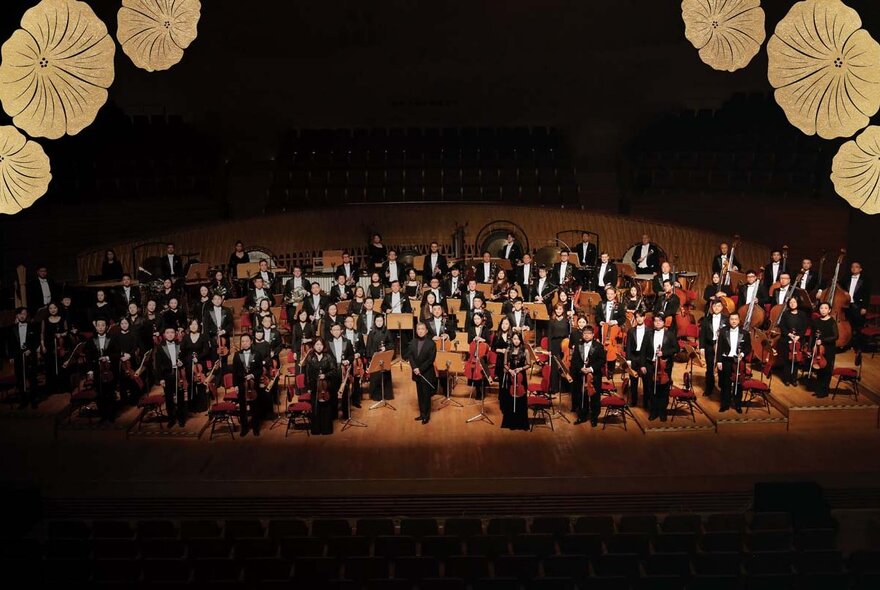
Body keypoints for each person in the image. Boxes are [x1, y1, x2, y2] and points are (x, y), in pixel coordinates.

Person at [86, 318, 119, 422]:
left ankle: (111, 415)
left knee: (110, 392)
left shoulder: (113, 338)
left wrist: (107, 358)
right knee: (99, 394)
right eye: (98, 325)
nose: (100, 327)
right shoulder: (91, 340)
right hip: (97, 371)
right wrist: (90, 371)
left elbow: (117, 353)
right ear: (95, 327)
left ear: (107, 327)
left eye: (103, 325)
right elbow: (88, 357)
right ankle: (103, 415)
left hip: (110, 371)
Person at [716, 312, 751, 412]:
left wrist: (743, 354)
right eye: (732, 319)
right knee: (725, 383)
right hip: (726, 360)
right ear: (729, 320)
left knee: (738, 384)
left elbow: (748, 347)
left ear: (739, 321)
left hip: (738, 362)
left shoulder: (745, 333)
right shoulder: (723, 331)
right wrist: (719, 361)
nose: (734, 321)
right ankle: (725, 404)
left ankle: (737, 404)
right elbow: (720, 347)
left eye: (736, 319)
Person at [570, 326, 604, 426]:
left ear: (593, 335)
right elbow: (574, 360)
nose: (586, 335)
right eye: (584, 333)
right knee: (581, 396)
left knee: (594, 397)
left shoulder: (599, 346)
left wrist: (591, 369)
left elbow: (602, 361)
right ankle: (582, 416)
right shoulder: (578, 345)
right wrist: (581, 368)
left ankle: (594, 418)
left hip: (594, 375)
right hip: (581, 375)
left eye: (589, 333)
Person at [155, 326, 188, 428]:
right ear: (164, 335)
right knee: (169, 399)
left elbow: (185, 359)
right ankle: (171, 419)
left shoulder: (180, 345)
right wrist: (160, 378)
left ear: (175, 334)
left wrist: (182, 363)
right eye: (168, 333)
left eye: (172, 332)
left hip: (178, 375)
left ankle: (181, 419)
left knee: (180, 398)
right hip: (167, 375)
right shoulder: (160, 347)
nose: (170, 334)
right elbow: (158, 365)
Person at [646, 314, 677, 421]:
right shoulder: (648, 334)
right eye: (655, 321)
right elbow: (643, 351)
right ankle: (653, 411)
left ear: (664, 322)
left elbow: (676, 349)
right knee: (652, 390)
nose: (657, 323)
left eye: (660, 321)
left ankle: (662, 412)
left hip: (665, 366)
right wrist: (642, 365)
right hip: (651, 365)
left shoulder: (670, 334)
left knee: (664, 390)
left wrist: (664, 353)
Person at [232, 333, 264, 436]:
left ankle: (256, 428)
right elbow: (234, 371)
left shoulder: (257, 354)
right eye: (243, 341)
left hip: (253, 385)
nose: (244, 343)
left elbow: (260, 370)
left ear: (251, 342)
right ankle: (244, 428)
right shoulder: (237, 355)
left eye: (246, 341)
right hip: (241, 385)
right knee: (242, 408)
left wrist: (253, 375)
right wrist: (235, 385)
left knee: (255, 407)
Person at [305, 338, 338, 435]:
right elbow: (308, 374)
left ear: (323, 346)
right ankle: (316, 429)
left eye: (321, 345)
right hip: (315, 386)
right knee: (316, 408)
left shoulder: (328, 357)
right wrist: (309, 388)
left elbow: (334, 371)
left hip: (326, 386)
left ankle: (326, 429)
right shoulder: (310, 357)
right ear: (314, 346)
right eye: (317, 344)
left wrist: (325, 375)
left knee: (326, 408)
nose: (319, 347)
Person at [406, 322, 438, 424]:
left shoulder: (431, 343)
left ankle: (426, 416)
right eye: (418, 329)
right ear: (416, 331)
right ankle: (422, 414)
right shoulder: (412, 342)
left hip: (426, 373)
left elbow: (430, 359)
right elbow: (410, 356)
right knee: (420, 395)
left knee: (426, 395)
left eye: (422, 329)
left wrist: (420, 369)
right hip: (416, 372)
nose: (420, 331)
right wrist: (415, 368)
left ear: (426, 331)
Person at [8, 307, 39, 408]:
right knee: (20, 379)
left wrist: (31, 349)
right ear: (17, 315)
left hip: (30, 356)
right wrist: (11, 356)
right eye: (20, 314)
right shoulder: (12, 328)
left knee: (32, 378)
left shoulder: (33, 326)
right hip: (18, 356)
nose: (22, 316)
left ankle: (34, 400)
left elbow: (36, 341)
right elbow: (9, 344)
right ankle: (23, 401)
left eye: (24, 313)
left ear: (27, 315)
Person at [501, 332, 529, 430]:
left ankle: (521, 423)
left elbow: (528, 364)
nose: (516, 341)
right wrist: (510, 370)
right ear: (512, 340)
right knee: (510, 398)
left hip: (521, 377)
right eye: (514, 339)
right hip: (511, 377)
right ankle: (511, 423)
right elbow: (504, 364)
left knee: (521, 400)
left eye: (518, 339)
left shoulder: (525, 351)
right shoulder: (508, 350)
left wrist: (520, 369)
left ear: (520, 340)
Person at [40, 302, 70, 397]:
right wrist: (42, 345)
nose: (53, 310)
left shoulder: (62, 319)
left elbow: (66, 331)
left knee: (62, 366)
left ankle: (63, 386)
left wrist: (61, 334)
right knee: (50, 367)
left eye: (54, 308)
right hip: (49, 346)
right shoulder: (45, 320)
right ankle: (52, 388)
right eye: (51, 308)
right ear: (48, 310)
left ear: (58, 308)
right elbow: (42, 333)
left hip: (60, 346)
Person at [699, 299, 727, 396]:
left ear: (722, 308)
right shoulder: (706, 319)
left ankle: (722, 388)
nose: (716, 308)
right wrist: (702, 347)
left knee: (721, 368)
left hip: (721, 347)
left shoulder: (726, 319)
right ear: (712, 307)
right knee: (710, 368)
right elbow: (702, 334)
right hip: (709, 345)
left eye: (719, 306)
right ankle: (709, 389)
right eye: (714, 306)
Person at [328, 323, 356, 418]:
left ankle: (346, 414)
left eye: (338, 329)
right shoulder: (327, 342)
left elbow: (352, 355)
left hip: (344, 369)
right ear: (331, 332)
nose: (336, 332)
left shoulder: (347, 341)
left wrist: (348, 360)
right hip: (333, 369)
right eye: (334, 330)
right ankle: (334, 414)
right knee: (333, 391)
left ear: (341, 331)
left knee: (345, 391)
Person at [779, 296, 808, 386]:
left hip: (798, 340)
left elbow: (804, 327)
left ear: (797, 303)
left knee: (796, 360)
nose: (792, 304)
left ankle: (794, 379)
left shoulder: (802, 314)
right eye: (791, 302)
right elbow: (782, 326)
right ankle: (786, 378)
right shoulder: (785, 314)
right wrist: (789, 334)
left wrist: (798, 336)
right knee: (787, 359)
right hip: (787, 339)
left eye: (794, 302)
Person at [812, 301, 839, 398]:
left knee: (827, 370)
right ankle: (819, 390)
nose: (823, 310)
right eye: (821, 308)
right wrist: (812, 346)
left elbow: (836, 336)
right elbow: (813, 335)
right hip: (818, 349)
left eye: (825, 308)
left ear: (829, 310)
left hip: (829, 348)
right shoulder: (816, 321)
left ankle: (825, 391)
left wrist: (822, 340)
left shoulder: (832, 321)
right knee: (819, 369)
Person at [624, 310, 650, 408]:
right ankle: (633, 401)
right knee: (633, 380)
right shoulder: (631, 330)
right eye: (637, 317)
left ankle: (646, 403)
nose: (639, 319)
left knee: (646, 381)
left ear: (644, 318)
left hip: (644, 357)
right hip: (634, 357)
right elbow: (628, 346)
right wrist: (628, 359)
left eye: (641, 317)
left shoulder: (649, 330)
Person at [116, 317, 144, 406]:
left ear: (129, 324)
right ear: (120, 325)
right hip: (121, 360)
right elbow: (116, 348)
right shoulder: (116, 336)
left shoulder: (133, 334)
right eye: (122, 324)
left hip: (131, 359)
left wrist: (130, 355)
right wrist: (122, 355)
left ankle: (134, 399)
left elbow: (135, 346)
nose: (124, 325)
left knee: (133, 380)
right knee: (122, 381)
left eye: (126, 323)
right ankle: (124, 401)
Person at [365, 315, 393, 401]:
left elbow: (391, 344)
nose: (379, 323)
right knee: (376, 376)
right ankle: (376, 396)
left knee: (385, 375)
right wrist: (370, 359)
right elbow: (368, 347)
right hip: (375, 357)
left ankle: (387, 395)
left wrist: (386, 348)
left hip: (384, 356)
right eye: (377, 321)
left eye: (381, 321)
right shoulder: (371, 333)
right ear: (375, 322)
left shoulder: (387, 331)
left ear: (383, 321)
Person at [844, 262, 870, 351]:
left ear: (860, 269)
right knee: (848, 327)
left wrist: (864, 307)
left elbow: (867, 295)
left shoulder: (865, 280)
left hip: (858, 306)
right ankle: (848, 344)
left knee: (858, 327)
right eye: (852, 267)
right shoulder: (846, 278)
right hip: (847, 306)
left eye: (856, 267)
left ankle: (858, 347)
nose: (854, 268)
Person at [466, 312, 491, 401]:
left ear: (481, 319)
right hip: (473, 354)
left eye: (478, 319)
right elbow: (469, 341)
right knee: (474, 373)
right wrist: (474, 338)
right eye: (475, 319)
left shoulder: (485, 329)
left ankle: (483, 390)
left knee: (481, 373)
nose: (476, 321)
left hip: (482, 355)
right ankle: (477, 391)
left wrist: (482, 339)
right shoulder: (471, 329)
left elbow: (488, 341)